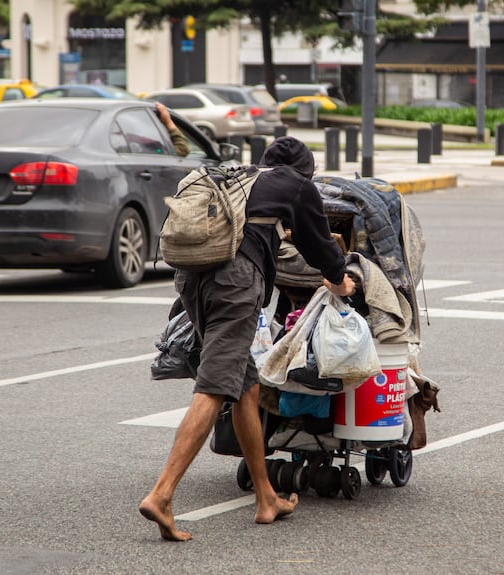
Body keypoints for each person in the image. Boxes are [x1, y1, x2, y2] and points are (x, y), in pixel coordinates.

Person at [138, 136, 356, 542]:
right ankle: (162, 494)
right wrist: (340, 279)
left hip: (191, 277)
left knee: (245, 386)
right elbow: (319, 244)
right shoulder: (297, 185)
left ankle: (265, 497)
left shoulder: (240, 176)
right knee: (217, 384)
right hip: (234, 281)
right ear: (306, 171)